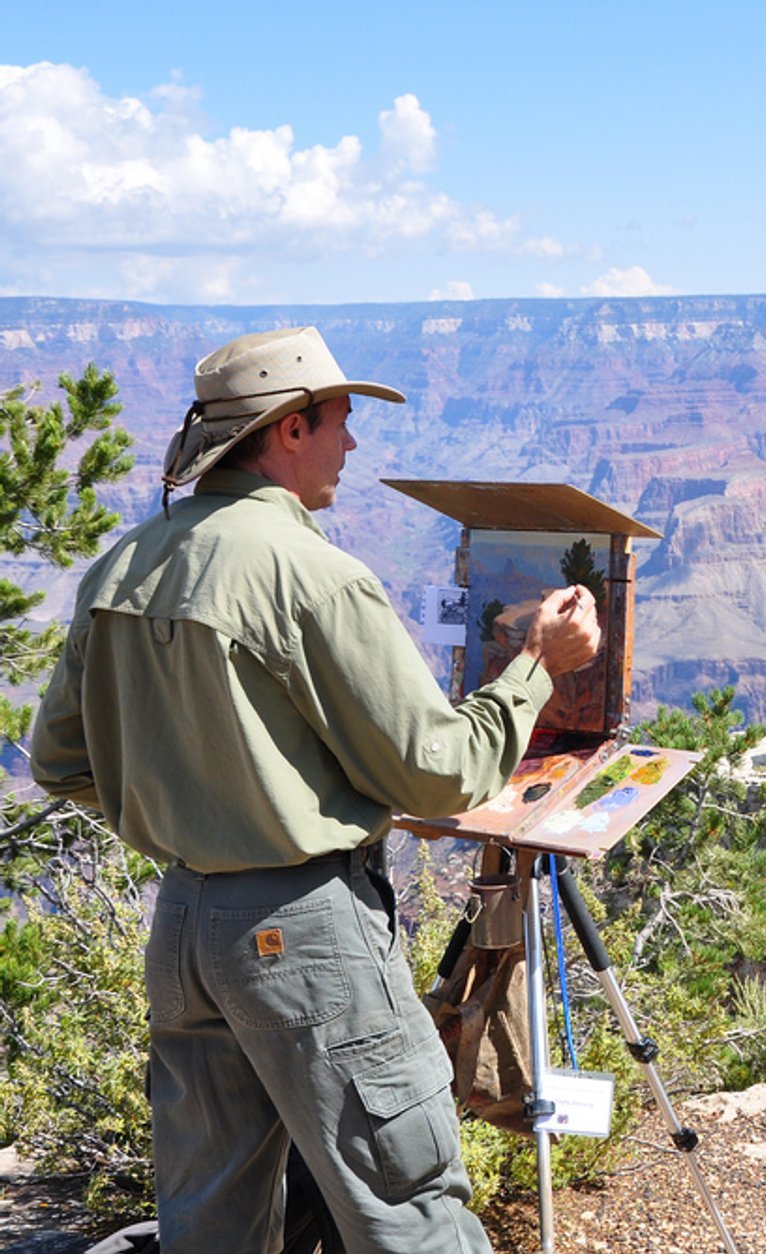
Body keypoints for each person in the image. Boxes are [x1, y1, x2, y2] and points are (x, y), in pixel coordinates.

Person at [30, 327, 603, 1252]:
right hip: (303, 933)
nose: (353, 442)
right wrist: (539, 662)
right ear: (289, 430)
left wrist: (193, 806)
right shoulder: (314, 576)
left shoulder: (123, 565)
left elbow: (61, 760)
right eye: (339, 420)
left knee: (211, 1217)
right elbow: (438, 771)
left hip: (182, 925)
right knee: (405, 1201)